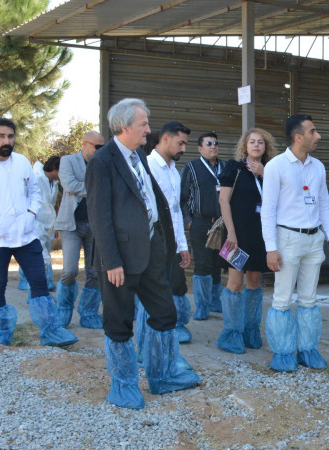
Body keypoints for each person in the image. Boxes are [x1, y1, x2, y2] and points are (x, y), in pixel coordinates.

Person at [86, 98, 200, 410]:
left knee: (165, 314)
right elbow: (99, 217)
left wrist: (170, 243)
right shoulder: (103, 162)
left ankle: (161, 377)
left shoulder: (138, 154)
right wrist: (112, 261)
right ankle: (123, 385)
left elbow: (154, 202)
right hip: (120, 258)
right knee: (119, 322)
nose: (149, 130)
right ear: (124, 127)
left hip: (151, 250)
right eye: (143, 125)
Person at [261, 114, 329, 371]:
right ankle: (283, 352)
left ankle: (308, 349)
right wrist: (270, 248)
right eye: (313, 132)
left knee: (309, 298)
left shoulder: (318, 167)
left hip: (313, 238)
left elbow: (324, 204)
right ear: (299, 137)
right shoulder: (276, 166)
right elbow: (268, 210)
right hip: (287, 239)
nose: (318, 136)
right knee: (282, 298)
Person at [0, 117, 78, 347]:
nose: (6, 141)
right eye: (1, 136)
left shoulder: (22, 162)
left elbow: (33, 190)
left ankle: (51, 332)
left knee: (39, 282)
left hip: (25, 235)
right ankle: (1, 334)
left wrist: (31, 213)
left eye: (10, 136)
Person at [215, 128, 275, 354]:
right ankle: (231, 333)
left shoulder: (271, 170)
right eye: (252, 142)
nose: (256, 145)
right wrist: (230, 232)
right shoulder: (234, 168)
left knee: (255, 281)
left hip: (261, 234)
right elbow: (223, 201)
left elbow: (280, 197)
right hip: (236, 233)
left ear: (266, 147)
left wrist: (264, 174)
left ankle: (250, 331)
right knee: (235, 282)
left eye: (261, 142)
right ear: (245, 146)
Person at [145, 121, 192, 344]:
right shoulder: (147, 168)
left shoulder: (175, 172)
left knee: (170, 290)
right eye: (180, 143)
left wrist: (182, 246)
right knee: (150, 298)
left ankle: (164, 343)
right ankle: (146, 349)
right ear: (165, 139)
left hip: (171, 244)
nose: (184, 149)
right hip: (152, 244)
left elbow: (176, 212)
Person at [54, 130, 105, 329]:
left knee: (94, 272)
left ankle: (89, 313)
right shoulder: (67, 161)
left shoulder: (101, 163)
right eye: (97, 146)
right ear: (85, 144)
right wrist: (92, 188)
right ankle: (63, 311)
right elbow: (70, 185)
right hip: (71, 225)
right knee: (69, 270)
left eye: (102, 147)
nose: (100, 150)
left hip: (95, 225)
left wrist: (84, 186)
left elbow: (104, 187)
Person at [180, 132, 226, 318]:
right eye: (209, 143)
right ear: (200, 148)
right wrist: (189, 221)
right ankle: (202, 305)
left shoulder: (225, 167)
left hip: (221, 224)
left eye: (216, 143)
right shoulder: (191, 167)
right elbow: (182, 198)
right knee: (202, 264)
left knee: (218, 263)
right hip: (200, 222)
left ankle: (215, 301)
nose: (213, 146)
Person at [18, 156, 61, 292]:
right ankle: (38, 285)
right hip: (36, 222)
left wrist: (55, 225)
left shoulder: (53, 183)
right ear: (54, 168)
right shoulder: (36, 178)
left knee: (42, 252)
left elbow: (51, 205)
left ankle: (35, 282)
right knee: (41, 255)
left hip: (48, 223)